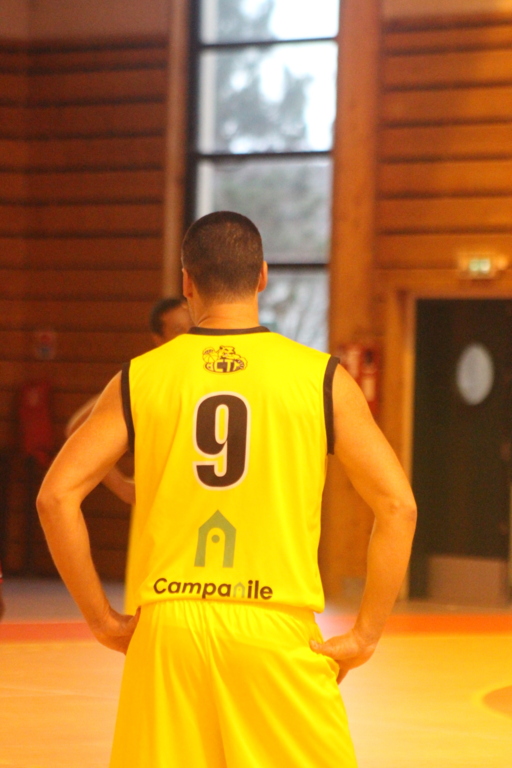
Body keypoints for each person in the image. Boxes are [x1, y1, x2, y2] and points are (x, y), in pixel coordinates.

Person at [37, 211, 417, 768]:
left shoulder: (141, 376)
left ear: (187, 282)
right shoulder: (321, 378)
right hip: (274, 627)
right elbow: (398, 506)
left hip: (169, 627)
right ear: (262, 276)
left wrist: (101, 619)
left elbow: (55, 497)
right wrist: (365, 634)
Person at [65, 297, 192, 611]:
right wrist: (121, 486)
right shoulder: (147, 376)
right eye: (179, 329)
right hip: (160, 499)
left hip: (207, 495)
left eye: (192, 326)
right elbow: (78, 427)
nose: (188, 333)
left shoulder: (214, 370)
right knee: (154, 599)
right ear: (158, 339)